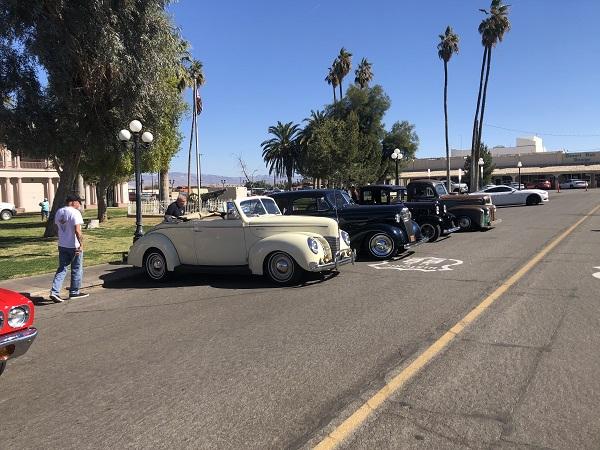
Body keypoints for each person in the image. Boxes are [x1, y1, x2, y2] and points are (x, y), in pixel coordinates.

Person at [49, 194, 89, 303]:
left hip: (62, 245)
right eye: (79, 202)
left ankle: (54, 292)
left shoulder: (59, 212)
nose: (80, 204)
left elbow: (56, 228)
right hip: (74, 246)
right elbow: (77, 230)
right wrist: (81, 245)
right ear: (73, 202)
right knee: (76, 268)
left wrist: (61, 237)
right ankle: (74, 292)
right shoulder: (75, 212)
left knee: (62, 268)